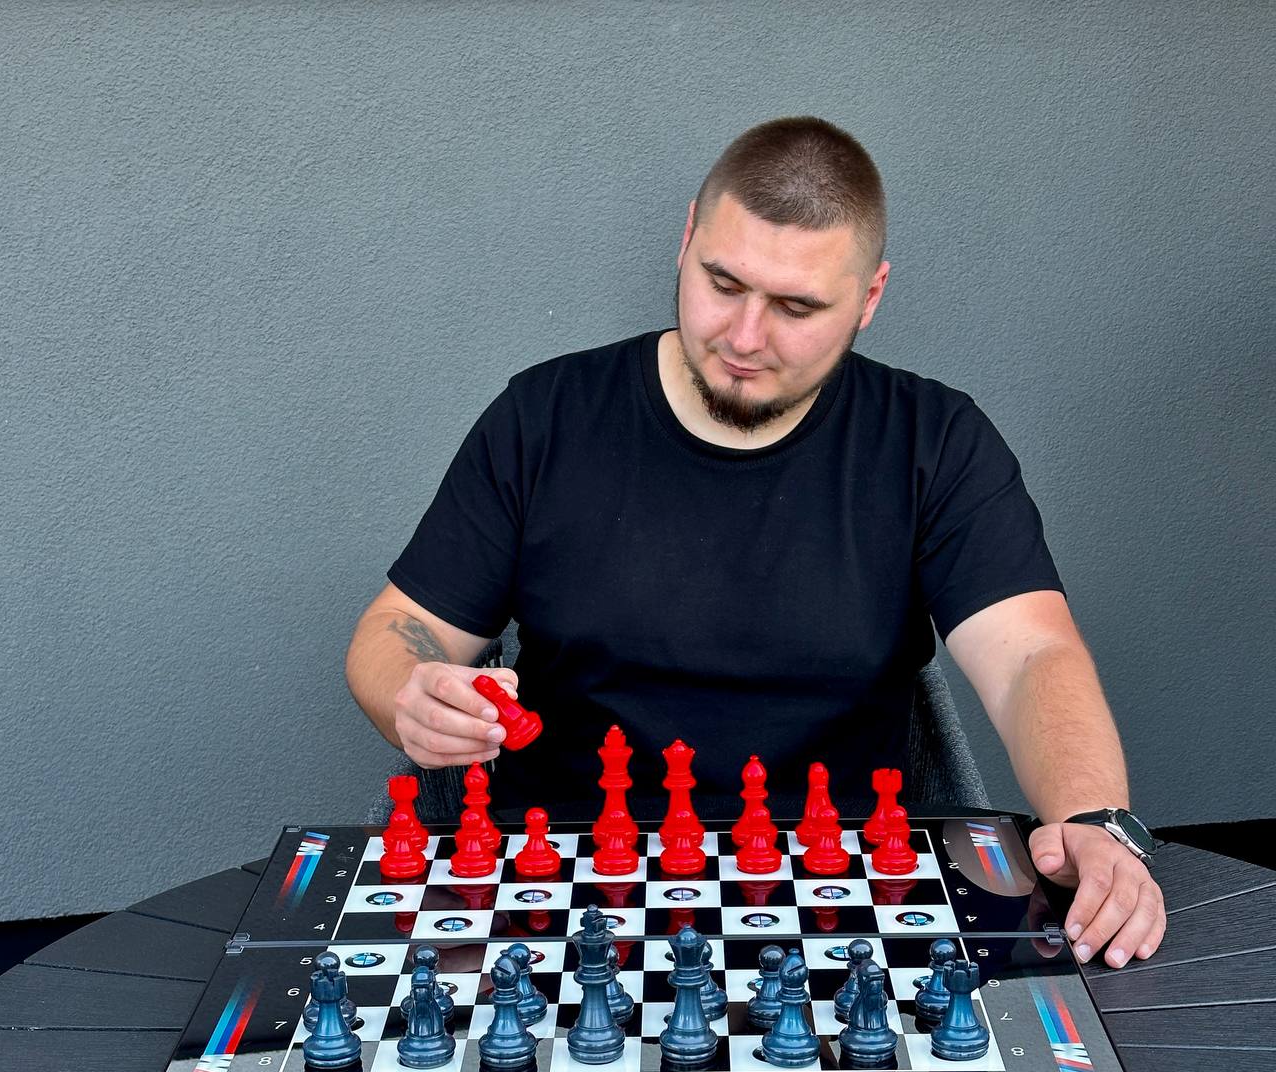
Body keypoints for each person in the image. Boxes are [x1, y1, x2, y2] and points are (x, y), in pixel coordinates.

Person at [345, 117, 1165, 968]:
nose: (743, 337)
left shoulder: (934, 441)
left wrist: (1093, 817)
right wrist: (411, 692)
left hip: (843, 903)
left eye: (796, 307)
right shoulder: (543, 417)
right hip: (555, 895)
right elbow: (396, 630)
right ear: (687, 239)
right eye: (722, 283)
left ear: (870, 298)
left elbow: (1032, 653)